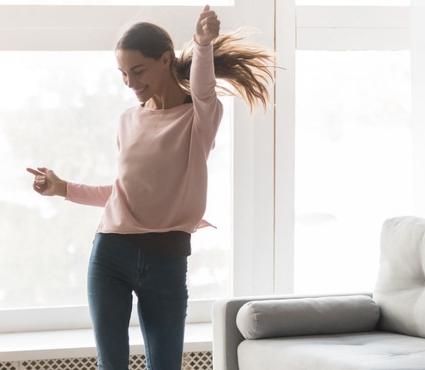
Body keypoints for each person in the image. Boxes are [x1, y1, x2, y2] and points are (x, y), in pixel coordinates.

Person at [25, 5, 273, 370]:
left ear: (165, 60)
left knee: (166, 364)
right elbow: (126, 192)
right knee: (111, 365)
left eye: (137, 70)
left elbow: (203, 90)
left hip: (166, 259)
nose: (129, 82)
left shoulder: (198, 119)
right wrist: (64, 188)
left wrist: (203, 45)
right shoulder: (128, 120)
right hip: (110, 253)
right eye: (123, 73)